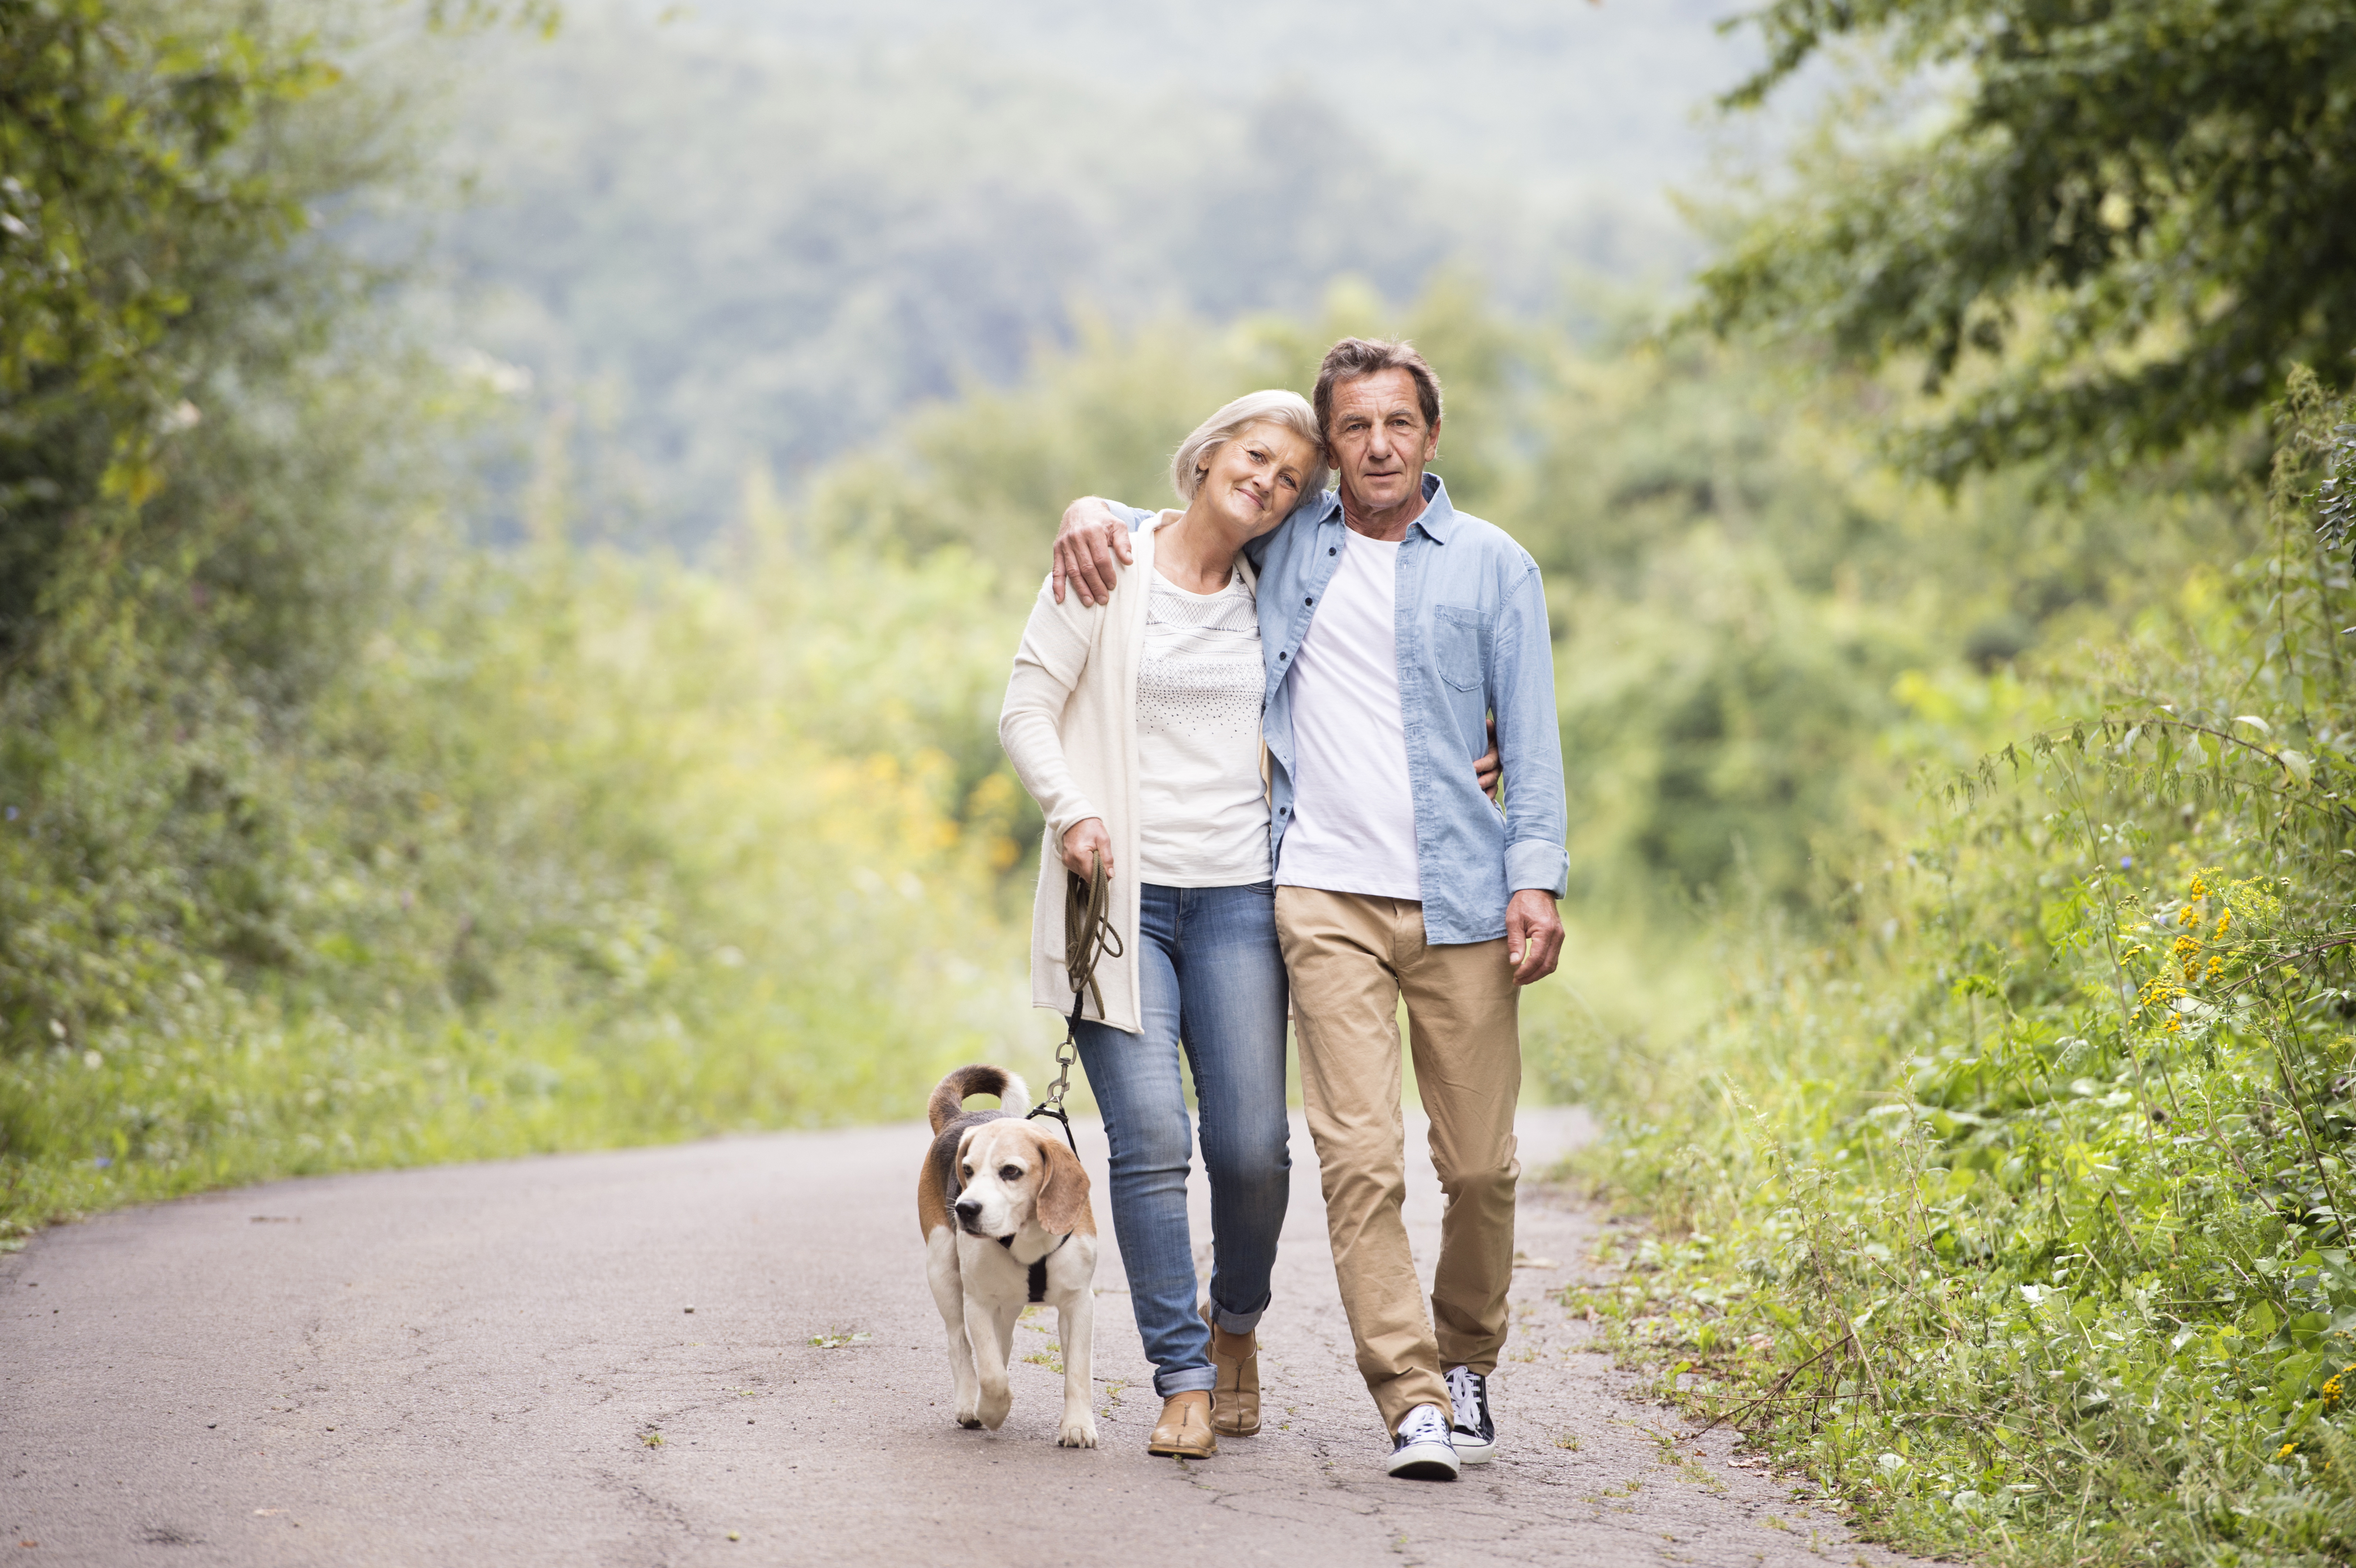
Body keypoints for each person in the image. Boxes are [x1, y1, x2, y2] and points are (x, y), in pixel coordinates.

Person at [1049, 338, 1568, 1482]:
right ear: (1330, 452)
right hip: (1318, 892)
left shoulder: (1495, 567)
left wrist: (1536, 875)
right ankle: (1411, 1398)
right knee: (1357, 1160)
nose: (1377, 444)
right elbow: (1191, 518)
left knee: (1477, 1168)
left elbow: (1528, 741)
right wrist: (1089, 506)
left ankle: (1466, 1355)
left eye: (1399, 423)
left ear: (1431, 437)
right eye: (1353, 428)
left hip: (1464, 902)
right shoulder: (1289, 547)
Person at [997, 390, 1325, 1460]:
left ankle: (1237, 1328)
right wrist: (1072, 808)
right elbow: (1024, 706)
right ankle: (1181, 1378)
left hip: (1238, 896)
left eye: (1288, 481)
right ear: (1206, 455)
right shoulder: (1105, 564)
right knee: (1147, 1141)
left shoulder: (1278, 585)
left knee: (1251, 1151)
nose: (1267, 484)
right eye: (1254, 457)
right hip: (1117, 902)